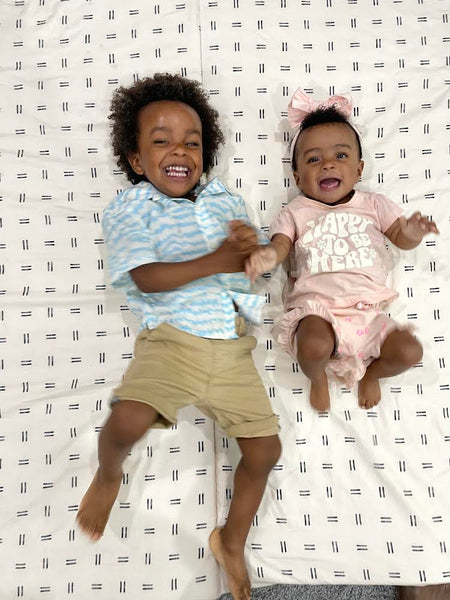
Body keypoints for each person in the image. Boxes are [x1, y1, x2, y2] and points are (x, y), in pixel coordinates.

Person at [76, 73, 281, 600]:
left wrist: (252, 254)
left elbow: (252, 265)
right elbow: (146, 276)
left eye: (192, 142)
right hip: (172, 340)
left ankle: (231, 539)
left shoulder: (225, 200)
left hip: (232, 347)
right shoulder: (132, 207)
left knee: (264, 450)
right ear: (138, 160)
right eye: (161, 139)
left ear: (205, 156)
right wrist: (217, 258)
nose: (180, 151)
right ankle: (108, 471)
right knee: (126, 419)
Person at [246, 87, 438, 412]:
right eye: (314, 159)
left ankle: (371, 373)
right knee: (313, 345)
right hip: (317, 311)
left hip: (368, 314)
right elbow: (280, 245)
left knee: (409, 352)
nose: (328, 165)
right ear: (297, 177)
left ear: (359, 170)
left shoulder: (374, 205)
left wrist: (413, 232)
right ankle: (317, 377)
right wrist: (267, 255)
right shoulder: (295, 211)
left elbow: (400, 237)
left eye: (341, 156)